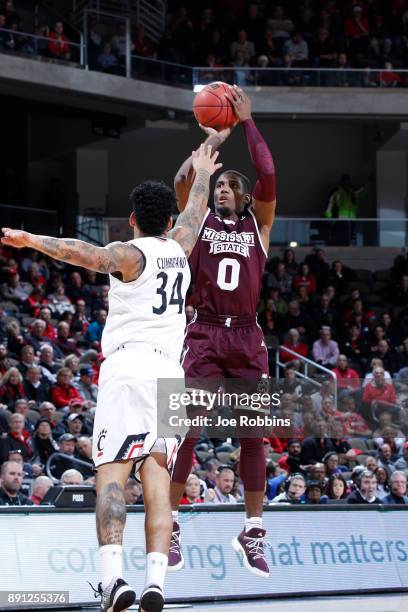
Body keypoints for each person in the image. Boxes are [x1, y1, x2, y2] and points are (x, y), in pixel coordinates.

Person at [1, 142, 219, 612]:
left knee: (113, 476)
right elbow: (196, 213)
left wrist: (32, 240)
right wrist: (202, 171)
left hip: (130, 367)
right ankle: (157, 584)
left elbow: (84, 253)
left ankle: (113, 580)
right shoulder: (181, 244)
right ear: (167, 219)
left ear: (133, 218)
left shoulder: (129, 254)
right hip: (170, 373)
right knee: (158, 479)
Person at [171, 86, 276, 578]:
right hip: (205, 334)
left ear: (246, 197)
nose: (223, 190)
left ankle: (252, 529)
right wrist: (214, 140)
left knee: (255, 437)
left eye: (232, 186)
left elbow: (270, 173)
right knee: (184, 429)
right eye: (219, 186)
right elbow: (181, 180)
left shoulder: (260, 227)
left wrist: (249, 123)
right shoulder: (198, 219)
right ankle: (168, 522)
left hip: (248, 337)